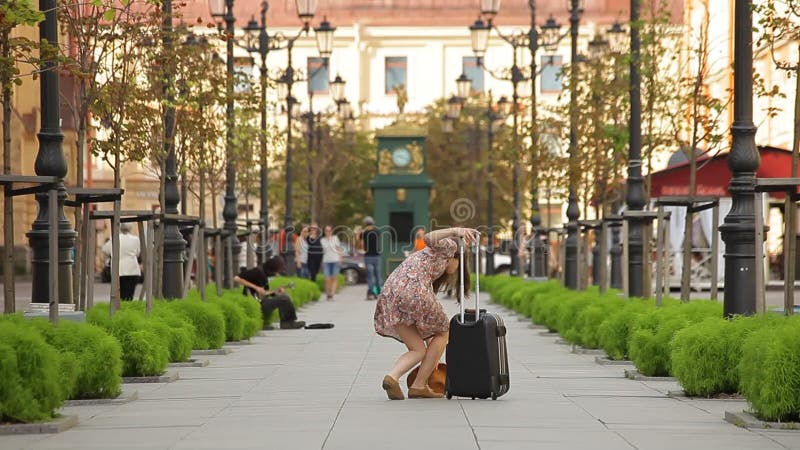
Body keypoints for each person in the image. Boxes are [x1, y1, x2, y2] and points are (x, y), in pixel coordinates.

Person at [374, 227, 478, 400]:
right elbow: (429, 237)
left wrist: (433, 352)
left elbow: (430, 330)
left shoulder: (428, 258)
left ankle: (392, 377)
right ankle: (419, 385)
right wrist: (455, 230)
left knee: (418, 350)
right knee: (445, 331)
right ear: (456, 257)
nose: (457, 269)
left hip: (391, 293)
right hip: (413, 291)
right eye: (460, 263)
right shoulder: (449, 247)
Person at [234, 255, 306, 330]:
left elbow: (264, 293)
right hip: (256, 304)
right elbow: (236, 278)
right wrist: (256, 288)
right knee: (284, 298)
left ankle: (287, 322)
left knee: (283, 296)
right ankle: (287, 323)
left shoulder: (263, 274)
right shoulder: (257, 271)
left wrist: (276, 292)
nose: (276, 274)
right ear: (272, 268)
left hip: (260, 301)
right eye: (277, 271)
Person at [101, 223, 141, 301]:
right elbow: (138, 253)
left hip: (119, 269)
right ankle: (128, 308)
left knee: (120, 294)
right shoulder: (136, 239)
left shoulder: (115, 238)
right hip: (132, 269)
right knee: (130, 294)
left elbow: (105, 249)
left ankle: (121, 309)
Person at [358, 216, 382, 300]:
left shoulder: (363, 233)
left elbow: (360, 244)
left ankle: (371, 294)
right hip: (377, 256)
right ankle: (379, 294)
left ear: (365, 223)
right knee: (378, 275)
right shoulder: (377, 231)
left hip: (368, 256)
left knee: (370, 276)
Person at [321, 225, 342, 300]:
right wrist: (321, 262)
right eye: (326, 230)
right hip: (326, 261)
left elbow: (339, 249)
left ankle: (331, 295)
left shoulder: (335, 238)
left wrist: (340, 259)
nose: (328, 232)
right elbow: (322, 252)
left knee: (334, 278)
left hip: (335, 260)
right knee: (327, 279)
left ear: (331, 231)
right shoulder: (322, 240)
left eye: (329, 230)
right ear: (324, 231)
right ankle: (328, 293)